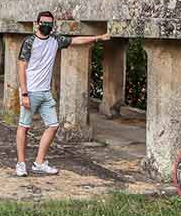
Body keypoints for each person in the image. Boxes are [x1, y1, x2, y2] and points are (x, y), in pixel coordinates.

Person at [15, 11, 111, 176]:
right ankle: (21, 164)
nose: (46, 25)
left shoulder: (55, 40)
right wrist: (24, 93)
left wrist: (97, 38)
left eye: (49, 23)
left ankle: (39, 162)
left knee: (53, 125)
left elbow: (76, 40)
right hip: (30, 91)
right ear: (37, 23)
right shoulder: (29, 41)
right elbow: (21, 66)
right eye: (43, 22)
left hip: (45, 92)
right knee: (24, 127)